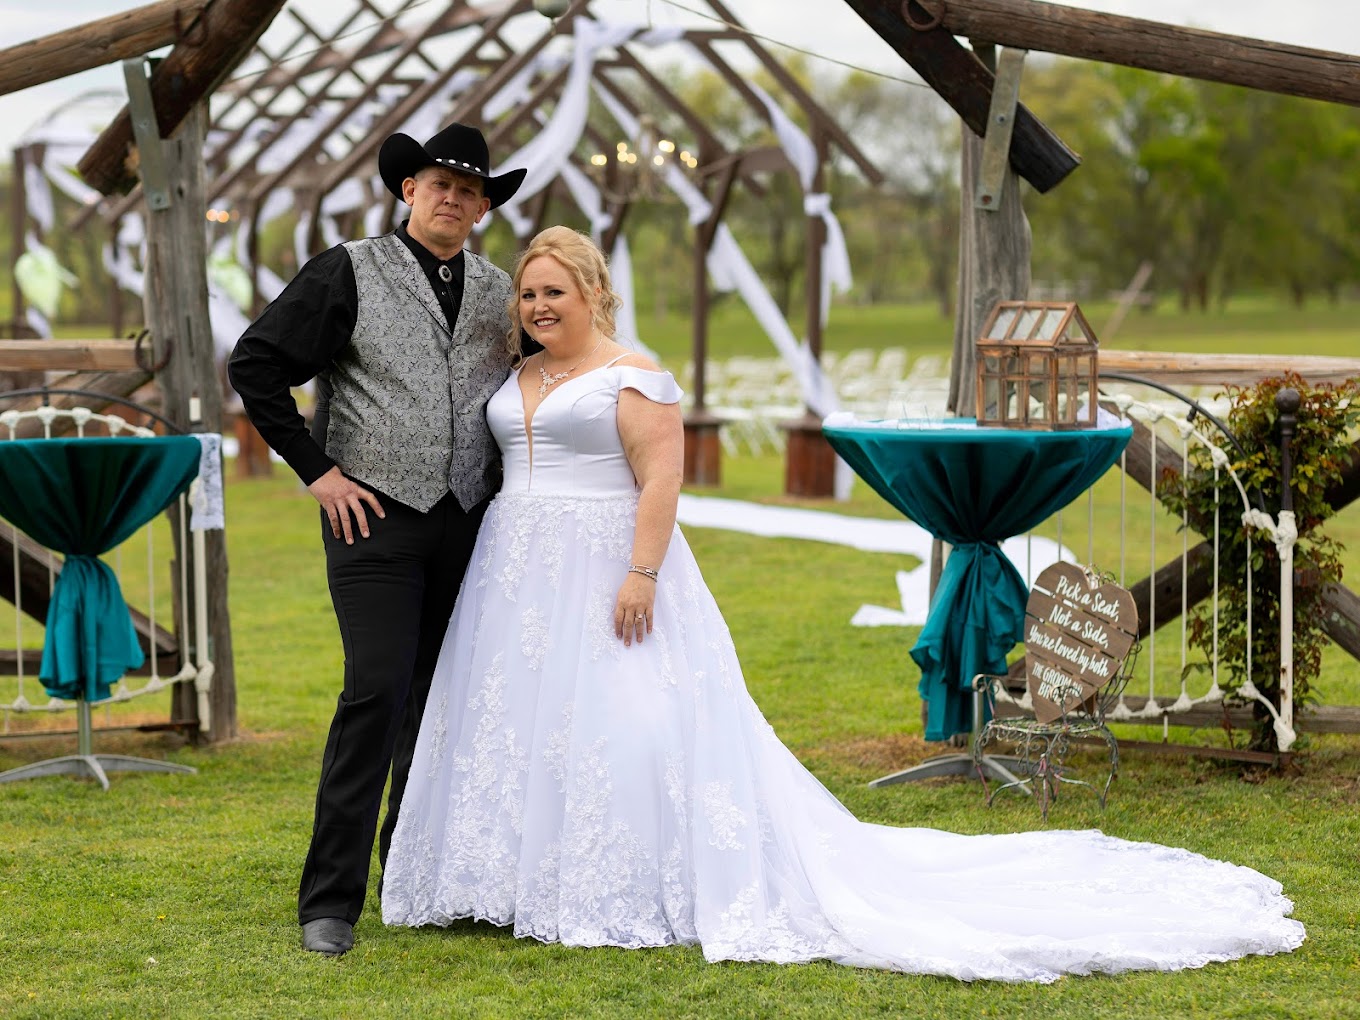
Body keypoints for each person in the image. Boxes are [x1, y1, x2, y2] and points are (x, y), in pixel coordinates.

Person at [380, 226, 1304, 981]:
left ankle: (610, 884)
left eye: (556, 292)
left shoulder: (635, 373)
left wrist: (641, 573)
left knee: (627, 721)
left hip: (607, 560)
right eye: (529, 294)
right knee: (512, 720)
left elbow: (660, 479)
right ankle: (507, 879)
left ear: (593, 294)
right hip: (514, 568)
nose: (539, 306)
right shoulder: (516, 372)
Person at [228, 122, 529, 957]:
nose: (454, 200)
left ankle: (417, 874)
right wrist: (317, 471)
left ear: (481, 207)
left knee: (443, 702)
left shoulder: (502, 289)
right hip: (373, 519)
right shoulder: (348, 270)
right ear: (409, 191)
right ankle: (330, 900)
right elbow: (255, 363)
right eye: (440, 185)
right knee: (377, 690)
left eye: (470, 192)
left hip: (468, 521)